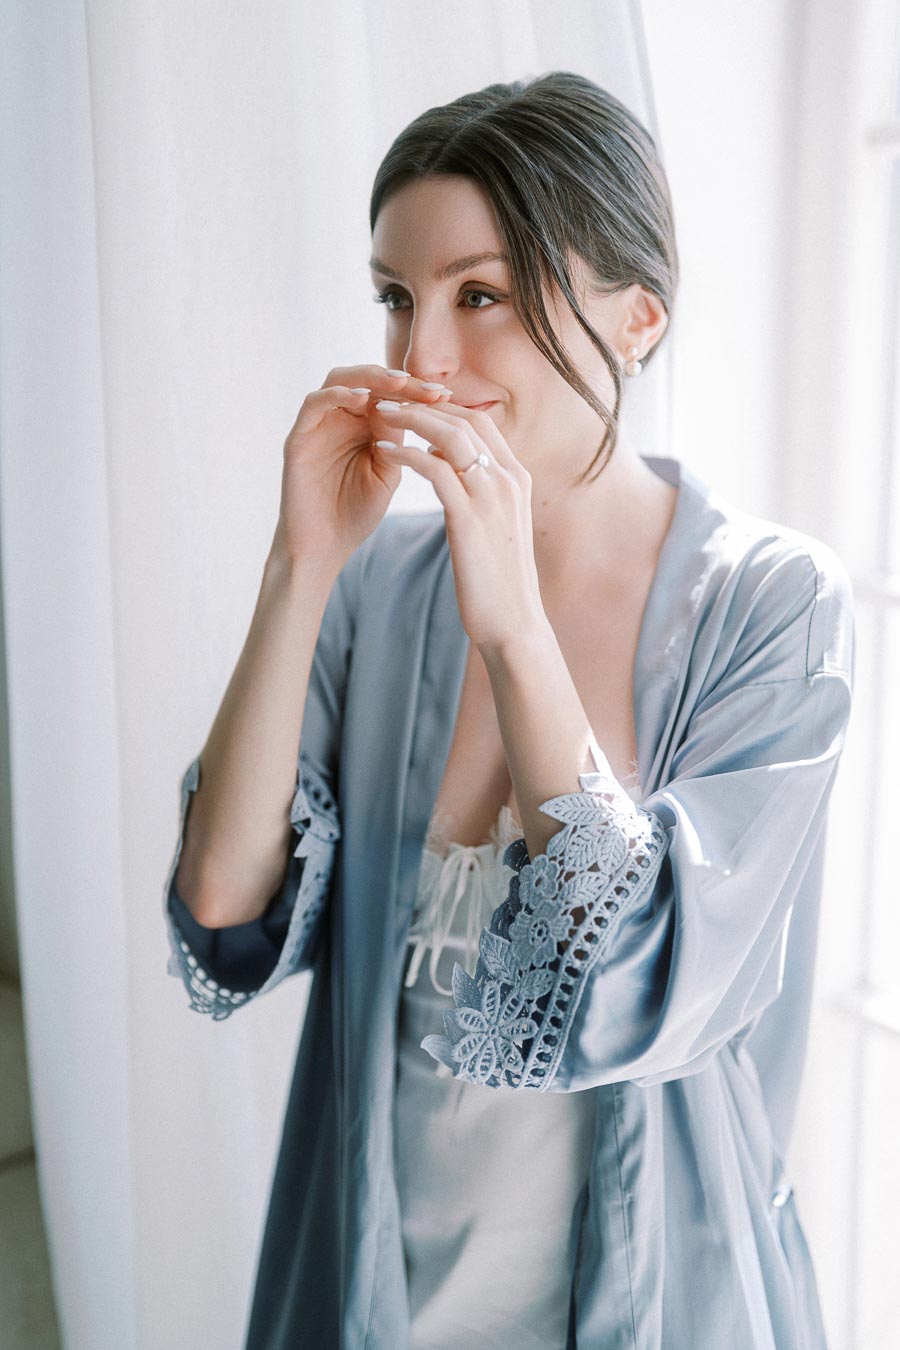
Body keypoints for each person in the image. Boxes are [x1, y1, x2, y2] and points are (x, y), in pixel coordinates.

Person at [162, 71, 854, 1349]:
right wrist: (298, 566)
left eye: (478, 295)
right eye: (396, 297)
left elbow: (653, 981)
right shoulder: (373, 590)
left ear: (637, 319)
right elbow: (222, 913)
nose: (420, 357)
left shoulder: (772, 605)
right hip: (368, 1290)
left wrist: (515, 628)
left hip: (662, 1306)